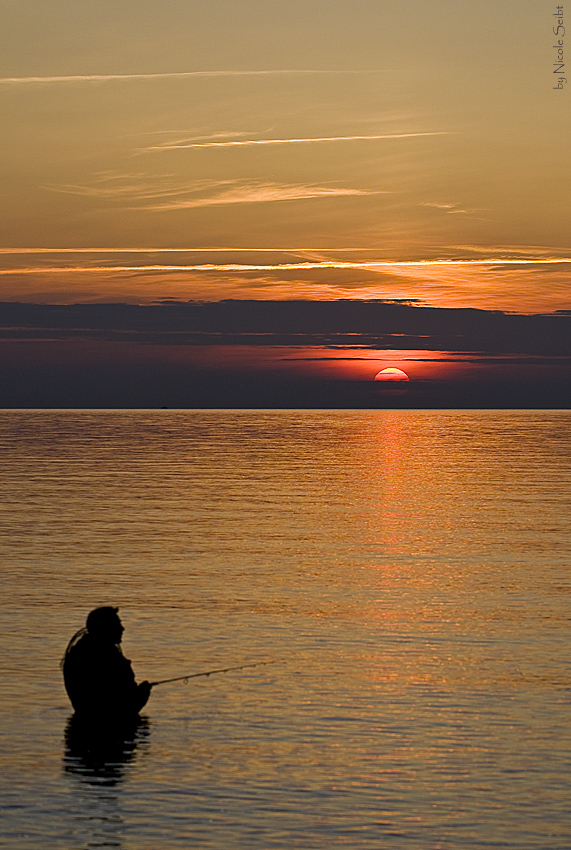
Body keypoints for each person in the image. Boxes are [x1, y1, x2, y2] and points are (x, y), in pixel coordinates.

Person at [62, 606, 151, 721]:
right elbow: (125, 708)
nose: (122, 629)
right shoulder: (108, 658)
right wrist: (142, 694)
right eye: (117, 624)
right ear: (105, 628)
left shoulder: (77, 652)